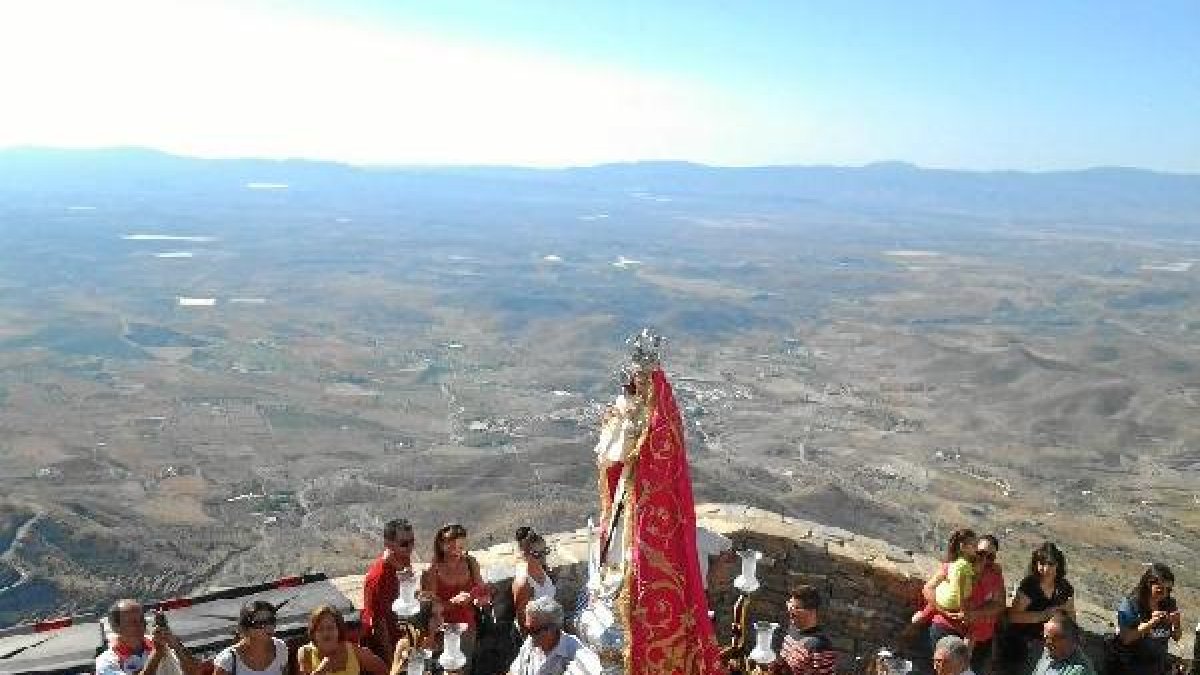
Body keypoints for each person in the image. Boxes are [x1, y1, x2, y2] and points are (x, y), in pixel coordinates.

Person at [926, 534, 1006, 674]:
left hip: (979, 635)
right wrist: (944, 611)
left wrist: (974, 614)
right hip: (949, 626)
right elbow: (928, 589)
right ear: (974, 550)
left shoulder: (994, 575)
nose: (985, 559)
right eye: (981, 553)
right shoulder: (956, 566)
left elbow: (999, 604)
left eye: (990, 557)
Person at [421, 522, 491, 671]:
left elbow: (482, 590)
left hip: (468, 629)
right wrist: (453, 602)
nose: (456, 552)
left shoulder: (471, 563)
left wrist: (479, 598)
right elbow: (431, 608)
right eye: (451, 547)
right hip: (442, 633)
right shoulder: (432, 570)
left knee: (464, 669)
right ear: (441, 544)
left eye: (460, 547)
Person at [1002, 542, 1075, 674]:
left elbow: (1071, 614)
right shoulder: (1030, 585)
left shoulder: (1064, 588)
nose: (1045, 569)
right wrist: (1043, 615)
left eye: (1050, 564)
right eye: (1041, 563)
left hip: (1048, 642)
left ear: (1058, 565)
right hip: (1022, 641)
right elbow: (1013, 616)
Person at [1110, 563, 1182, 675]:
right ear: (1149, 584)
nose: (1164, 594)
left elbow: (1177, 637)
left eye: (1168, 590)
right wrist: (1150, 623)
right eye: (1160, 590)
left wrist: (1176, 624)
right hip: (1131, 666)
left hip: (1157, 666)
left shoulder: (1169, 604)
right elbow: (1126, 638)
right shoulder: (1131, 605)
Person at [361, 519, 417, 663]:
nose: (410, 547)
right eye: (404, 543)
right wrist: (392, 661)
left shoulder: (402, 560)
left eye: (412, 541)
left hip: (402, 640)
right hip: (387, 648)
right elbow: (379, 624)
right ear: (388, 544)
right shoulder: (378, 577)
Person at [96, 599, 199, 675]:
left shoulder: (161, 643)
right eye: (133, 622)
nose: (140, 625)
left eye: (141, 620)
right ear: (116, 627)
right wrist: (157, 653)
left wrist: (177, 646)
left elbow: (194, 672)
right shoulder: (106, 661)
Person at [919, 529, 979, 654]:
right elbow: (928, 589)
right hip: (944, 625)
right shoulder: (960, 566)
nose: (977, 550)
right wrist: (948, 611)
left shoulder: (958, 565)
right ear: (963, 547)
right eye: (974, 545)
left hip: (955, 626)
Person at [508, 596, 602, 675]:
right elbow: (513, 672)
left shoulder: (575, 653)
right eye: (526, 628)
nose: (528, 634)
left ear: (552, 629)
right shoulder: (531, 641)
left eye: (533, 630)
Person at [768, 585, 838, 675]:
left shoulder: (821, 647)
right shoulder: (792, 630)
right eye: (790, 605)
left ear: (811, 612)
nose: (790, 612)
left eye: (796, 608)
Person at [298, 605, 388, 675]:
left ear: (339, 630)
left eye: (330, 628)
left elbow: (383, 670)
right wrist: (321, 671)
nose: (326, 633)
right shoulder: (306, 653)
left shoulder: (353, 651)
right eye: (320, 629)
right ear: (313, 633)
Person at [213, 601, 289, 675]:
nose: (268, 627)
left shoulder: (280, 647)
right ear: (246, 629)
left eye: (271, 621)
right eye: (259, 623)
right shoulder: (228, 660)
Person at [512, 527, 556, 632]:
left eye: (545, 551)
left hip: (552, 627)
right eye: (537, 554)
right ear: (525, 555)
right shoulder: (523, 584)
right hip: (539, 635)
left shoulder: (543, 569)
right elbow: (524, 623)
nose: (543, 557)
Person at [1031, 614, 1096, 675]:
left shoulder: (1080, 671)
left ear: (1068, 640)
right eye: (1045, 638)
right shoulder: (1050, 651)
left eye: (1052, 641)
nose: (1045, 645)